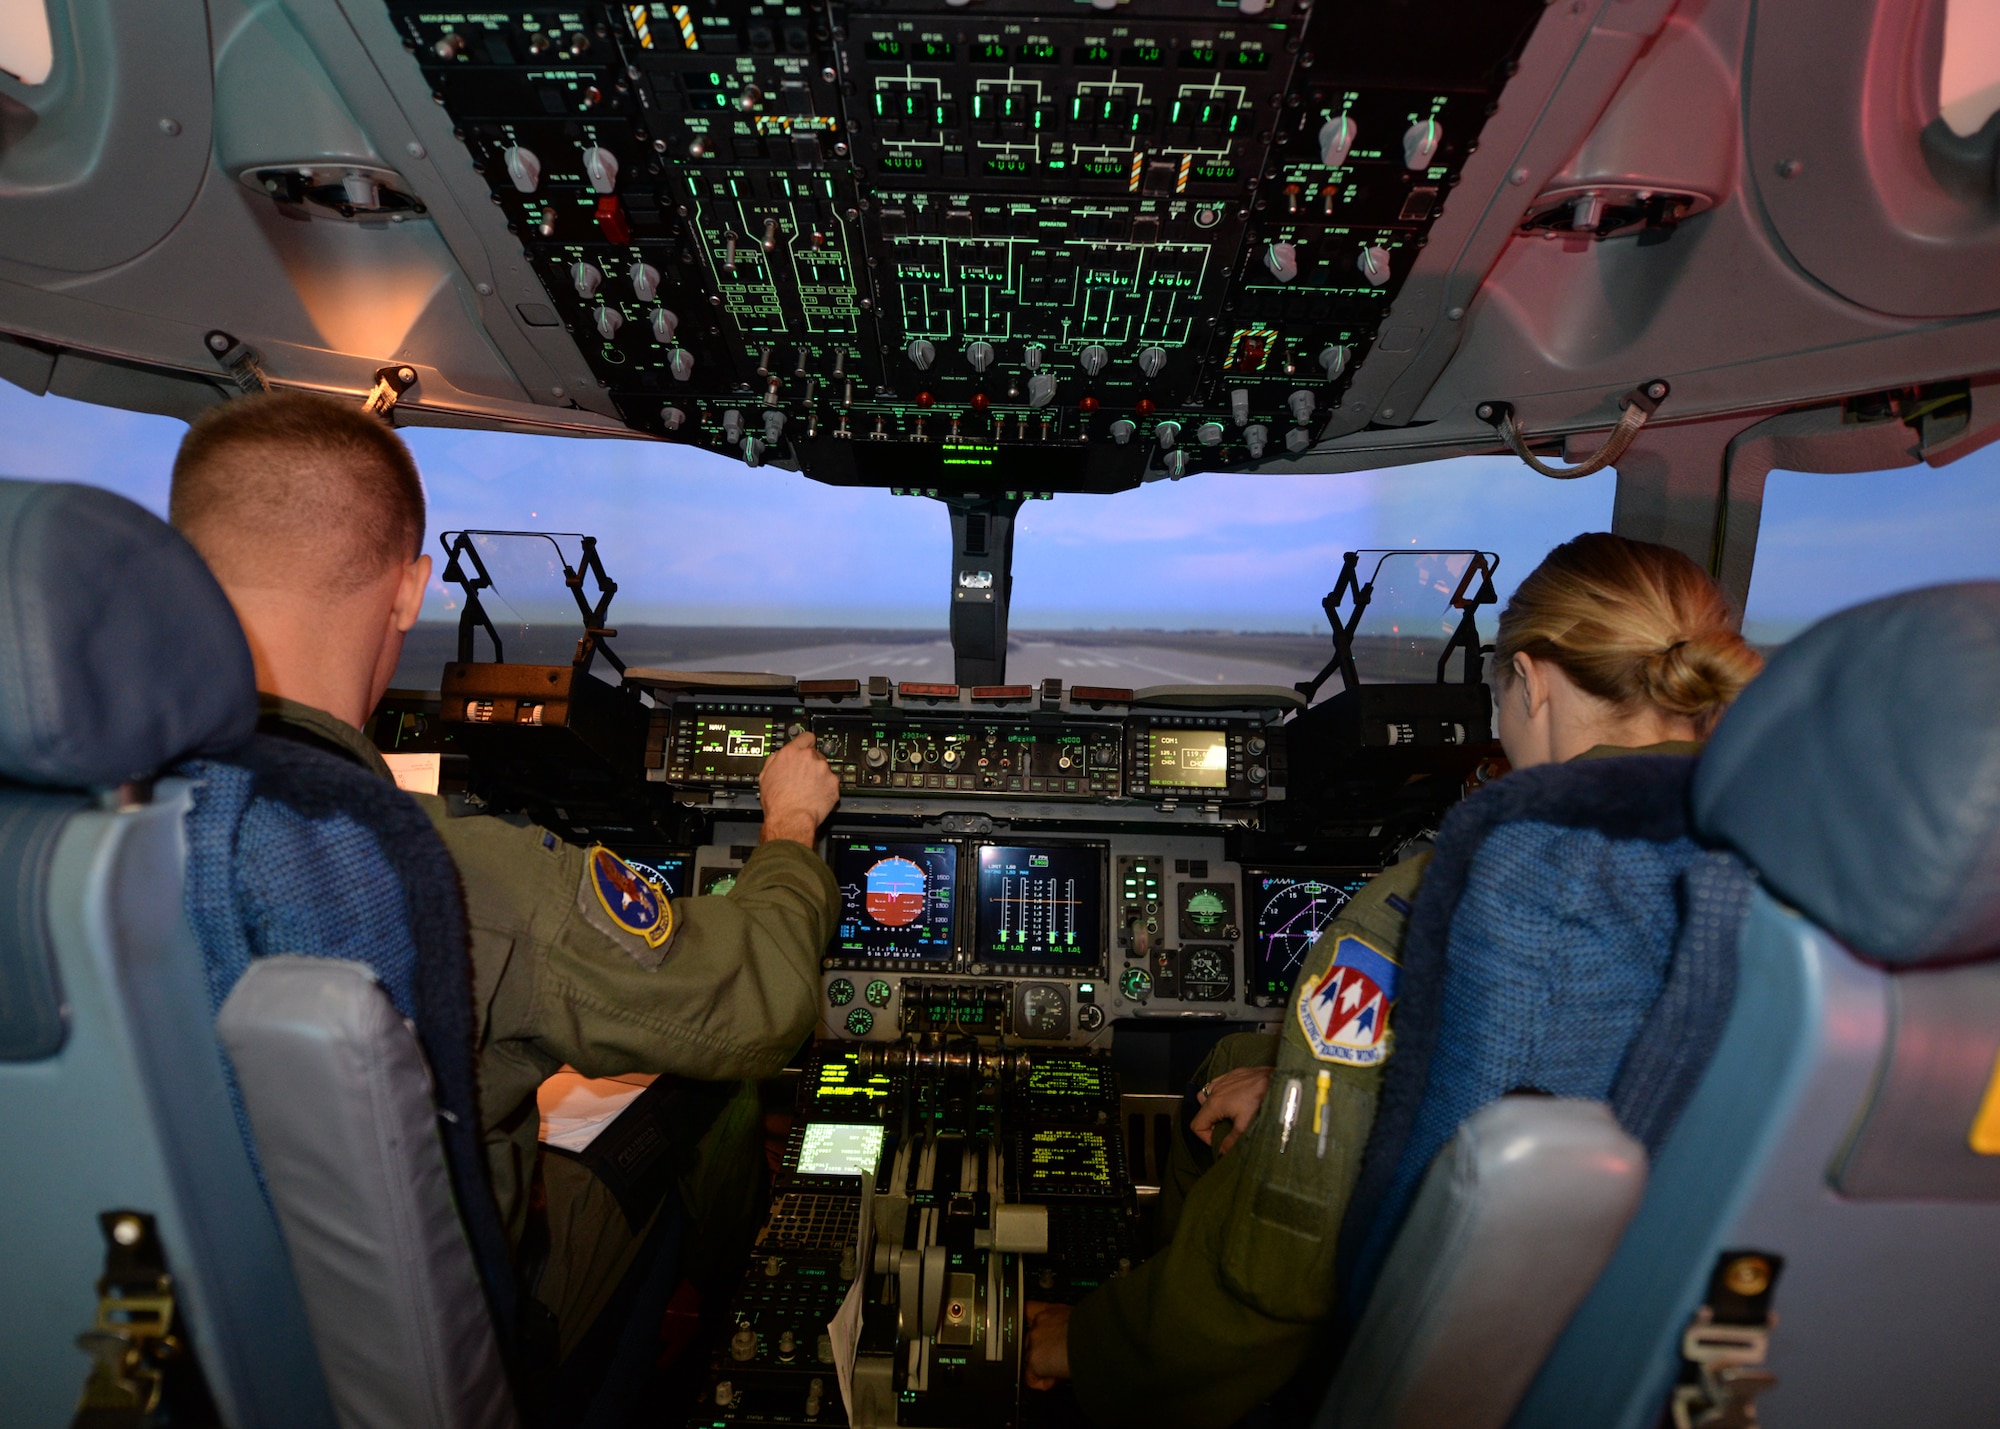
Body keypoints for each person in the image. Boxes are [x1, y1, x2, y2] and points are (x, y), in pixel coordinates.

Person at [1022, 532, 1765, 1426]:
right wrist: (1310, 1077)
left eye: (1501, 698)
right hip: (1658, 1313)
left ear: (1531, 679)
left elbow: (1284, 1253)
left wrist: (1097, 1344)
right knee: (1243, 1052)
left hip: (1421, 1345)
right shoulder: (1778, 855)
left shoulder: (1458, 891)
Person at [167, 391, 843, 1367]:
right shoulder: (428, 863)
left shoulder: (73, 834)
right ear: (409, 594)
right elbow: (756, 997)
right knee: (715, 1078)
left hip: (191, 1335)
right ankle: (748, 1332)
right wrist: (789, 823)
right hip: (448, 1338)